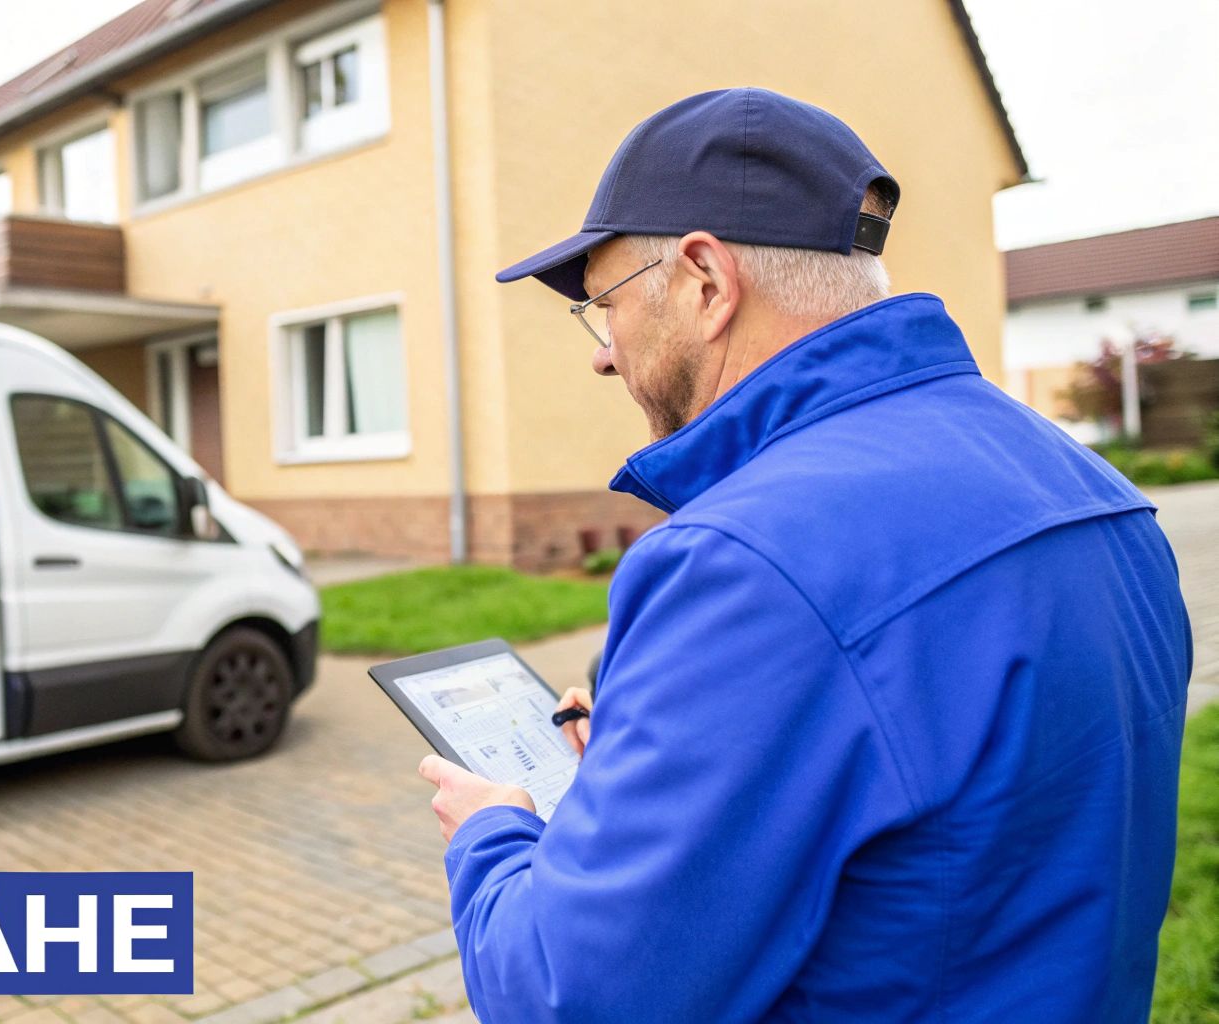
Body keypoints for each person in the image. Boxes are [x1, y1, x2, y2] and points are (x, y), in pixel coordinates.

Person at [416, 88, 1192, 1022]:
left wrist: (495, 833)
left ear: (705, 281)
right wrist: (659, 746)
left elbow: (570, 996)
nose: (603, 353)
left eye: (603, 303)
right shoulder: (1091, 488)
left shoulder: (745, 564)